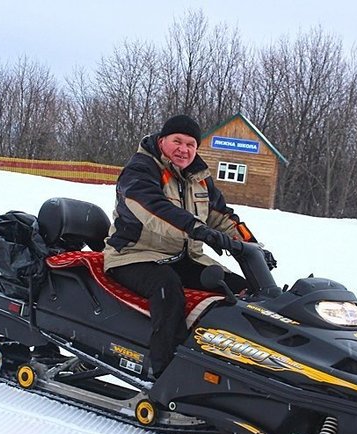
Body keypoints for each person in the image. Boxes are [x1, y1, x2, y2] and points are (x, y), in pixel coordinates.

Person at [103, 114, 275, 378]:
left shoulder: (199, 177)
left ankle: (239, 367)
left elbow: (222, 215)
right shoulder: (141, 170)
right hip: (133, 256)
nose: (184, 149)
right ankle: (164, 374)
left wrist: (253, 246)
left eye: (191, 144)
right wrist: (198, 229)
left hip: (183, 257)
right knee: (168, 290)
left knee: (241, 291)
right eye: (177, 141)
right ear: (162, 141)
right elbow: (154, 210)